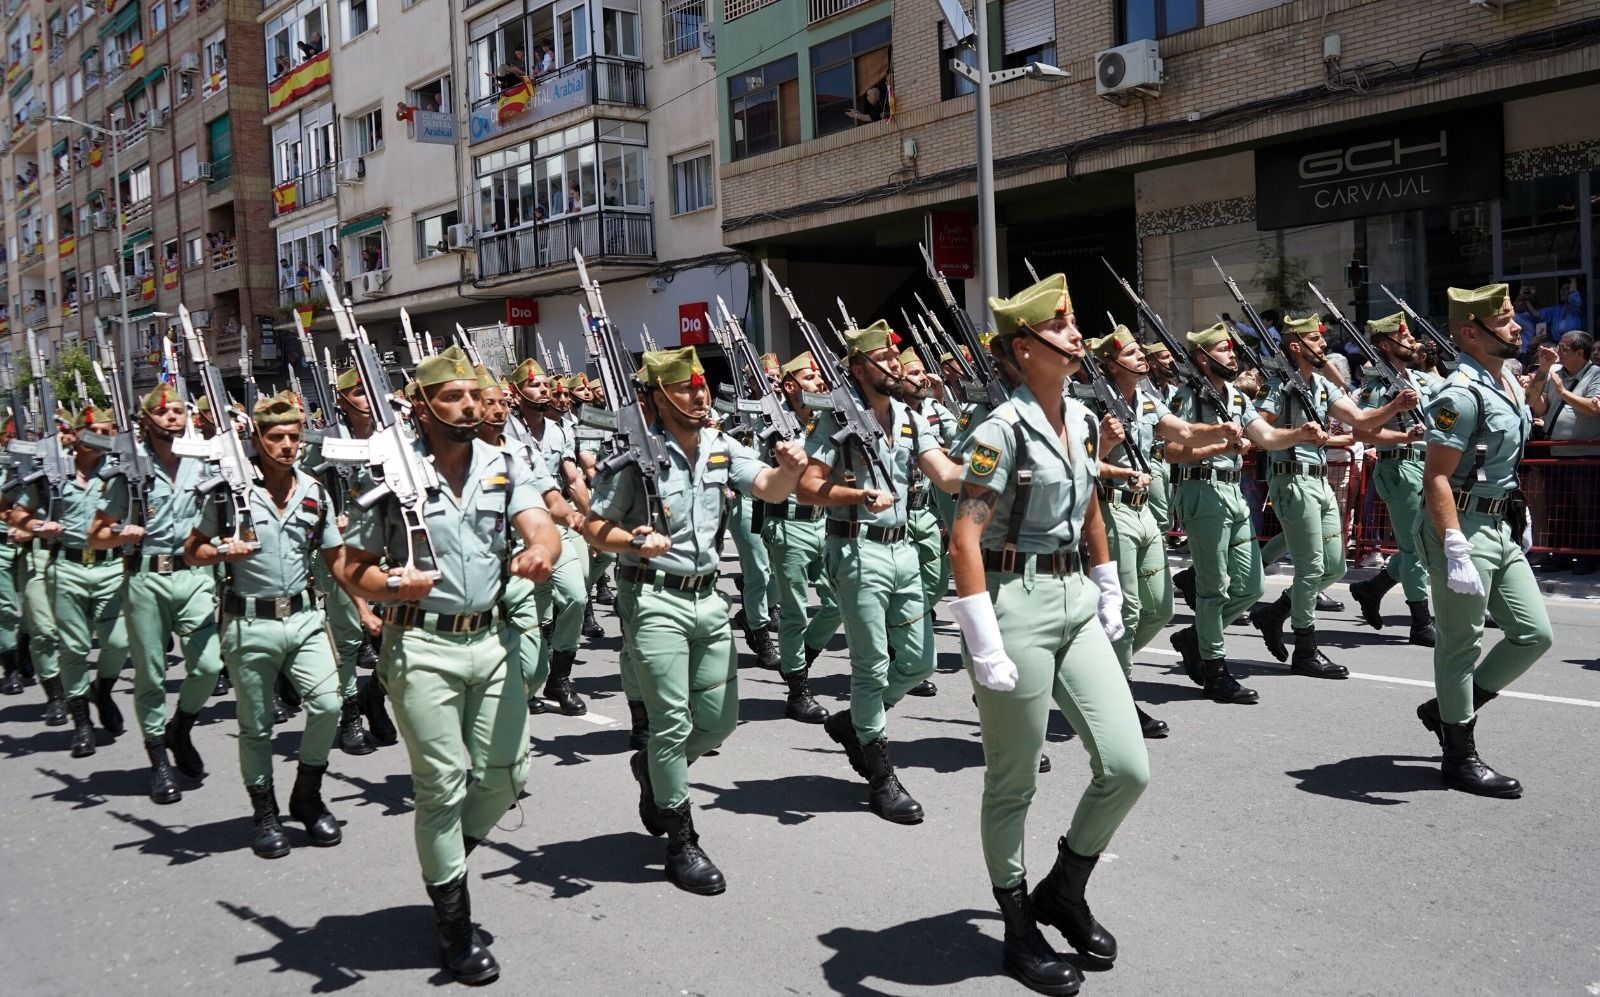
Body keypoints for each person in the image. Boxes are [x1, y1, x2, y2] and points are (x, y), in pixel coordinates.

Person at [947, 272, 1146, 995]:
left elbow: (1089, 502)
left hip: (1072, 598)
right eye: (1059, 326)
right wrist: (984, 640)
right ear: (1022, 349)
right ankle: (1017, 926)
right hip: (1013, 602)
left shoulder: (1085, 418)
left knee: (1127, 765)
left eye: (1073, 323)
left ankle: (1064, 887)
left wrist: (1107, 581)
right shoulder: (999, 430)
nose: (1075, 334)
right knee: (1013, 781)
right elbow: (962, 538)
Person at [339, 346, 560, 983]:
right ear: (421, 405)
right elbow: (350, 564)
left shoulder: (503, 461)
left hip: (491, 643)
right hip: (421, 645)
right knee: (443, 782)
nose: (468, 405)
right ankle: (454, 926)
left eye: (474, 395)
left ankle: (448, 856)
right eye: (453, 397)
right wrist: (388, 586)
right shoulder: (385, 470)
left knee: (507, 775)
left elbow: (539, 524)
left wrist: (540, 551)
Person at [583, 346, 807, 894]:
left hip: (709, 600)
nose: (698, 393)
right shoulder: (634, 455)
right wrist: (635, 539)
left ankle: (655, 771)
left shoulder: (719, 444)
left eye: (701, 384)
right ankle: (682, 841)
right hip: (653, 598)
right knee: (672, 723)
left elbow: (767, 488)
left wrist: (791, 471)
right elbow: (594, 526)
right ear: (659, 397)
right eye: (684, 387)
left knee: (718, 723)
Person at [797, 320, 965, 824]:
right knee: (870, 666)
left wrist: (996, 462)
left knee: (918, 662)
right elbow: (807, 487)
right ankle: (880, 772)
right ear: (858, 367)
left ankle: (854, 723)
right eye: (885, 360)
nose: (895, 365)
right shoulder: (834, 421)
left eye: (896, 359)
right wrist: (858, 496)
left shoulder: (909, 419)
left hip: (904, 550)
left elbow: (946, 474)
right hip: (857, 551)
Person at [184, 392, 345, 859]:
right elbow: (193, 548)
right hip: (248, 622)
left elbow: (334, 557)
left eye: (294, 437)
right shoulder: (230, 492)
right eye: (276, 437)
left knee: (329, 704)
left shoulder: (313, 490)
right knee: (256, 727)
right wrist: (220, 552)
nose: (288, 445)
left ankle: (307, 794)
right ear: (257, 439)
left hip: (304, 618)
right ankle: (265, 812)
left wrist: (368, 604)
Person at [1414, 283, 1554, 798]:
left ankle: (1449, 707)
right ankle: (1459, 755)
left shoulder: (1508, 380)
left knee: (1534, 633)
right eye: (1507, 319)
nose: (1517, 326)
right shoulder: (1458, 395)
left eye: (1514, 316)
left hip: (1500, 523)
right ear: (1471, 333)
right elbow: (1437, 477)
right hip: (1463, 526)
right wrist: (1454, 546)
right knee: (1460, 643)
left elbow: (1528, 418)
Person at [1163, 322, 1328, 704]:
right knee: (1213, 587)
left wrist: (1300, 434)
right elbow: (1172, 451)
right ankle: (1215, 670)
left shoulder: (1235, 398)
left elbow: (1267, 438)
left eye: (1232, 349)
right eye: (1224, 350)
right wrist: (1218, 444)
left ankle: (1194, 638)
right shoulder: (1187, 396)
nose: (1233, 355)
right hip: (1200, 490)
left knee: (1252, 586)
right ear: (1203, 358)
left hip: (1232, 492)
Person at [1247, 315, 1418, 678]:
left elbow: (1361, 419)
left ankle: (1274, 613)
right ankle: (1305, 649)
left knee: (1336, 567)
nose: (1323, 344)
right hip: (1291, 479)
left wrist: (1395, 408)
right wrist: (1295, 433)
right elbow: (1259, 430)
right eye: (1314, 338)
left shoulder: (1321, 386)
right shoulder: (1279, 386)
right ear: (1296, 346)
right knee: (1310, 567)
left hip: (1321, 480)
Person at [1087, 327, 1237, 736]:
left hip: (1145, 515)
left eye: (1139, 352)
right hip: (1111, 511)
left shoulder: (1148, 400)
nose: (1141, 358)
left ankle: (1090, 670)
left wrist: (1220, 432)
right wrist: (1102, 443)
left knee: (1161, 608)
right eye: (1132, 353)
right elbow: (1077, 463)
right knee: (1127, 609)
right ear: (1111, 363)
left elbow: (1184, 432)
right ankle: (1118, 696)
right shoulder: (1088, 405)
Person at [89, 383, 226, 805]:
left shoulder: (202, 463)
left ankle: (180, 729)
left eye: (180, 412)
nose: (173, 418)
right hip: (146, 578)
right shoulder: (129, 472)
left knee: (207, 665)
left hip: (194, 576)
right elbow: (96, 535)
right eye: (164, 413)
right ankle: (158, 760)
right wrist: (119, 532)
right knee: (150, 675)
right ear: (146, 421)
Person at [11, 407, 128, 755]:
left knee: (119, 642)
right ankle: (81, 722)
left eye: (109, 432)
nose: (105, 438)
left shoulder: (119, 474)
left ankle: (103, 690)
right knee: (75, 648)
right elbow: (17, 512)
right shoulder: (52, 475)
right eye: (98, 432)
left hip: (111, 567)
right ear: (77, 435)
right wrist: (36, 527)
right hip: (68, 567)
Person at [1349, 312, 1445, 646]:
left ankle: (1372, 588)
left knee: (1430, 542)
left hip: (1427, 465)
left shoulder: (1417, 380)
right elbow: (1363, 431)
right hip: (1399, 468)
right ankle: (1420, 620)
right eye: (1403, 337)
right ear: (1385, 344)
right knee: (1414, 547)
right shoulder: (1375, 387)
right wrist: (1396, 412)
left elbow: (1445, 402)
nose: (1411, 341)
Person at [503, 358, 593, 715]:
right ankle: (529, 676)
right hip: (519, 528)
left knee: (575, 596)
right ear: (516, 392)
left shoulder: (558, 430)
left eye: (545, 385)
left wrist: (590, 520)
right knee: (534, 610)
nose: (543, 390)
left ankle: (561, 676)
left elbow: (571, 479)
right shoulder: (504, 433)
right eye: (535, 385)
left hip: (556, 523)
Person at [763, 352, 840, 722]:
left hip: (823, 524)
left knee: (837, 601)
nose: (820, 383)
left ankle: (799, 660)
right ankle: (798, 691)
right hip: (789, 525)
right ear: (791, 386)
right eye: (811, 379)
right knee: (793, 612)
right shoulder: (772, 424)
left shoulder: (828, 422)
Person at [1528, 330, 1599, 574]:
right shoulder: (1554, 375)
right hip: (1555, 454)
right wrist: (1542, 372)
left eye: (1564, 349)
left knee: (1586, 508)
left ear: (1581, 353)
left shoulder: (1596, 375)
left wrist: (1563, 392)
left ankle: (1588, 556)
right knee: (1559, 508)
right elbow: (1537, 406)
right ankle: (1560, 554)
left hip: (1584, 456)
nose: (1559, 352)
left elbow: (1593, 407)